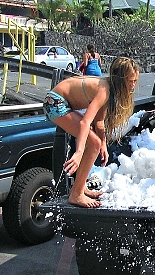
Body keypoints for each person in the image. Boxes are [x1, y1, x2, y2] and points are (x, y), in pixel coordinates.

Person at [43, 57, 140, 208]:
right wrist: (79, 152)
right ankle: (76, 194)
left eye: (135, 81)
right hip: (55, 102)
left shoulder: (109, 89)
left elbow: (99, 122)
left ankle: (79, 187)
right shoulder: (105, 90)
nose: (133, 85)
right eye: (130, 81)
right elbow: (85, 122)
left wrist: (104, 145)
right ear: (120, 80)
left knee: (96, 143)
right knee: (92, 143)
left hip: (61, 101)